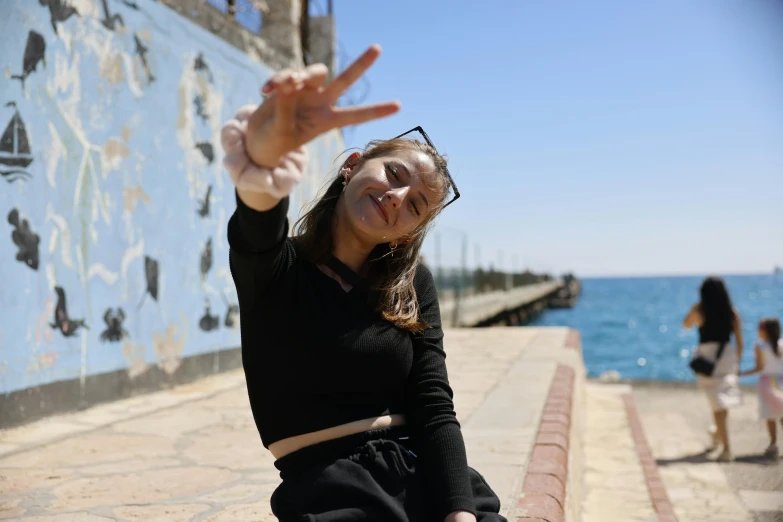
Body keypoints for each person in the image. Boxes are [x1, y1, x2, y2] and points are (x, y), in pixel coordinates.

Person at [221, 44, 507, 521]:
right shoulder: (275, 266)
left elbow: (433, 404)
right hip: (330, 488)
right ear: (352, 164)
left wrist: (460, 512)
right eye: (393, 174)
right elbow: (256, 222)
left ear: (409, 231)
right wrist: (264, 161)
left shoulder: (412, 285)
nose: (396, 197)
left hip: (424, 473)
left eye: (415, 205)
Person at [683, 276, 744, 462]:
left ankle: (726, 448)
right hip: (726, 357)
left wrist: (694, 310)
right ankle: (718, 435)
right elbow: (740, 342)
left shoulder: (700, 310)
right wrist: (737, 364)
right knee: (721, 404)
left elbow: (686, 324)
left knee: (717, 405)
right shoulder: (732, 312)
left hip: (707, 359)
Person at [739, 317, 783, 458]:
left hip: (767, 382)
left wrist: (743, 373)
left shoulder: (760, 346)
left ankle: (773, 443)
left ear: (763, 330)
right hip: (781, 381)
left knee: (770, 414)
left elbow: (759, 367)